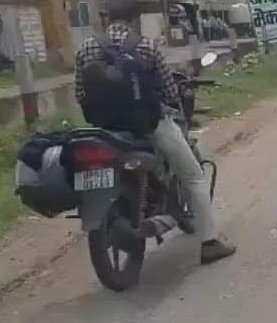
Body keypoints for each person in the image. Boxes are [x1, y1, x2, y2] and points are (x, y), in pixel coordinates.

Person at [75, 19, 237, 265]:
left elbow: (80, 94)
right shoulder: (147, 46)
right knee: (193, 176)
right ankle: (210, 243)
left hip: (106, 131)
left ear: (106, 21)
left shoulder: (85, 48)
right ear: (133, 22)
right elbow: (171, 93)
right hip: (150, 126)